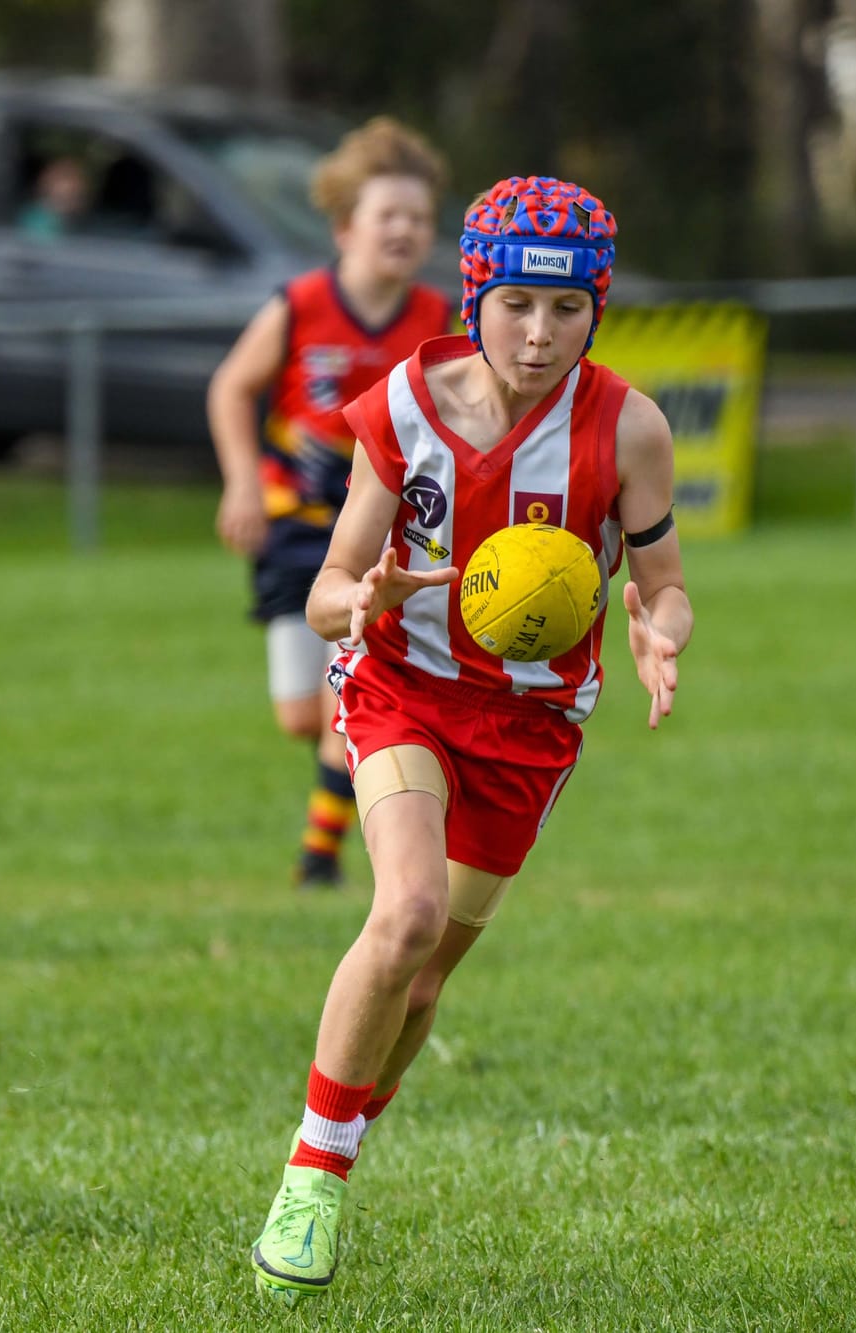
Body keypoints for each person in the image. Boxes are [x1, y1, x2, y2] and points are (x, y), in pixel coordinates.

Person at [247, 175, 692, 1304]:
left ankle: (348, 1126)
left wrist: (657, 631)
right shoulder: (404, 405)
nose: (537, 336)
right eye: (514, 307)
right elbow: (326, 589)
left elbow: (665, 578)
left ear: (597, 307)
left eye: (567, 312)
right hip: (402, 683)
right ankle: (312, 1175)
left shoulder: (630, 427)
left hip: (531, 721)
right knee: (396, 914)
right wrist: (366, 597)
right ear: (474, 292)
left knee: (427, 981)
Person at [207, 117, 454, 889]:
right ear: (347, 226)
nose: (407, 230)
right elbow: (231, 386)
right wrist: (243, 479)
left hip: (377, 538)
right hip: (292, 528)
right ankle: (335, 816)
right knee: (302, 716)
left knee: (344, 679)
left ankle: (320, 857)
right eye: (390, 215)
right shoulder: (303, 303)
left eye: (419, 218)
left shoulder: (435, 320)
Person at [17, 156, 90, 241]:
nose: (73, 185)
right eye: (65, 178)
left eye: (75, 179)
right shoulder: (34, 218)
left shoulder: (80, 220)